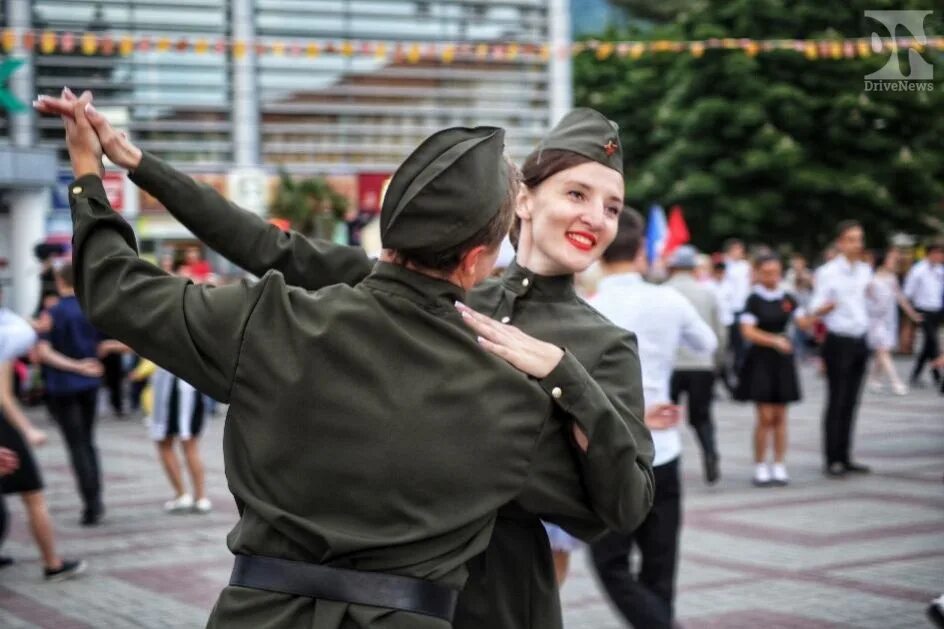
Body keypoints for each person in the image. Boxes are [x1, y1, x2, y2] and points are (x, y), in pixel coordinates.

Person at [39, 93, 657, 629]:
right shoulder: (433, 291)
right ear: (521, 202)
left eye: (610, 205)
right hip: (400, 599)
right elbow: (268, 245)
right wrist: (140, 165)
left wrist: (565, 377)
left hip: (494, 601)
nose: (594, 218)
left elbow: (621, 502)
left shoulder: (602, 344)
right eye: (577, 193)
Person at [589, 211, 717, 629]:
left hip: (610, 458)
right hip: (665, 451)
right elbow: (707, 343)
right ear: (643, 252)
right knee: (660, 570)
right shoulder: (669, 300)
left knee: (611, 564)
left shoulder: (586, 308)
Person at [0, 306, 86, 581]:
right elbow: (3, 397)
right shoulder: (7, 338)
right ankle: (52, 563)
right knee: (33, 494)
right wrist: (28, 430)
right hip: (5, 428)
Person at [34, 262, 108, 525]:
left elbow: (43, 352)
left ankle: (91, 505)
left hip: (64, 386)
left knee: (76, 444)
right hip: (89, 384)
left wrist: (76, 365)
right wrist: (91, 362)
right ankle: (96, 500)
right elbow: (105, 343)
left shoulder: (53, 311)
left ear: (59, 279)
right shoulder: (89, 309)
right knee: (88, 442)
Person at [735, 254, 810, 486]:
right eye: (767, 272)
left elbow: (803, 323)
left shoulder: (787, 297)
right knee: (765, 416)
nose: (772, 277)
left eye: (776, 272)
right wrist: (774, 341)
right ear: (758, 273)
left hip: (783, 361)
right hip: (761, 360)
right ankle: (760, 465)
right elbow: (747, 331)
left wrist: (822, 311)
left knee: (781, 416)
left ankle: (778, 464)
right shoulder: (754, 299)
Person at [809, 220, 873, 478]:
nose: (857, 244)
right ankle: (831, 458)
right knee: (837, 399)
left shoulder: (865, 270)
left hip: (860, 339)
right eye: (852, 239)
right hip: (838, 340)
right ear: (840, 242)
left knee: (852, 401)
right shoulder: (828, 272)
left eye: (859, 239)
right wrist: (822, 309)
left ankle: (846, 456)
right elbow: (815, 304)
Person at [666, 245, 728, 485]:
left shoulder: (662, 292)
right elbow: (719, 333)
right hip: (701, 365)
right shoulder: (707, 293)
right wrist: (717, 361)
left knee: (665, 416)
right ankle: (710, 455)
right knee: (702, 417)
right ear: (694, 267)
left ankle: (665, 461)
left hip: (670, 366)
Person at [867, 248, 922, 395]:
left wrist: (913, 314)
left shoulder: (892, 279)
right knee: (883, 350)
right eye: (891, 260)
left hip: (889, 320)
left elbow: (901, 298)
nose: (894, 263)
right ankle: (896, 382)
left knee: (883, 350)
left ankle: (874, 379)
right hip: (875, 320)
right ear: (884, 261)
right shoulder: (871, 280)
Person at [904, 241, 943, 387]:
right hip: (923, 310)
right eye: (937, 253)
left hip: (937, 310)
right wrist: (912, 312)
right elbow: (908, 293)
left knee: (928, 345)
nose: (940, 256)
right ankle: (938, 377)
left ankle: (916, 374)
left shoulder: (940, 270)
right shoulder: (918, 270)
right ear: (930, 254)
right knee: (933, 341)